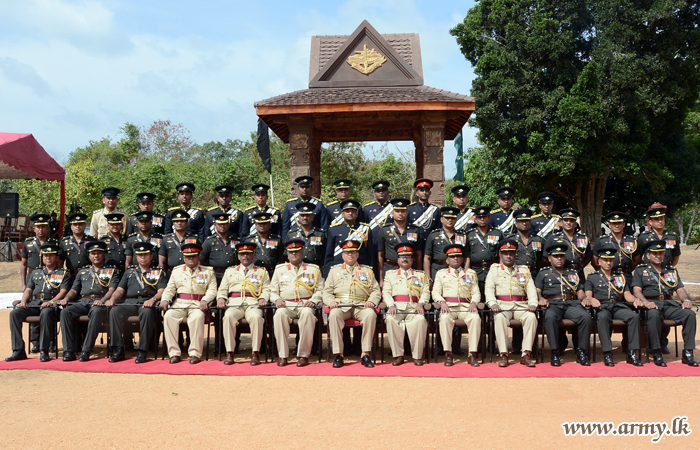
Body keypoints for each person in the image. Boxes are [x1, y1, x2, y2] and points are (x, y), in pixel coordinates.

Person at [631, 240, 698, 367]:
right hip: (651, 304)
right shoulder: (641, 270)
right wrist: (646, 302)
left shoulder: (671, 271)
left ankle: (688, 352)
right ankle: (657, 351)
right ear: (648, 255)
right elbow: (637, 291)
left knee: (689, 315)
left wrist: (686, 301)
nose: (658, 256)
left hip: (668, 304)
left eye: (660, 253)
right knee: (654, 314)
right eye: (655, 253)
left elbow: (680, 289)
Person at [6, 243, 70, 362]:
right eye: (46, 255)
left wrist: (51, 302)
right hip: (35, 303)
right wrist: (23, 301)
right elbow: (28, 290)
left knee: (45, 312)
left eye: (51, 255)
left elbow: (63, 291)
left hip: (52, 306)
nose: (48, 258)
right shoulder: (36, 272)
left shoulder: (63, 273)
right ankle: (18, 350)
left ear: (57, 258)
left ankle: (44, 350)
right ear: (42, 257)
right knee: (15, 313)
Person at [323, 239, 380, 368]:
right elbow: (326, 291)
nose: (350, 255)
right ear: (342, 255)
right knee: (334, 315)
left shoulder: (367, 270)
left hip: (361, 306)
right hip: (341, 305)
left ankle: (365, 353)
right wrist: (331, 301)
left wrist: (371, 301)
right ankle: (339, 354)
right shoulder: (334, 271)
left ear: (357, 255)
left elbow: (376, 290)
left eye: (353, 252)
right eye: (347, 253)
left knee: (370, 315)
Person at [583, 244, 644, 367]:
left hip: (617, 306)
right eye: (605, 260)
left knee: (634, 317)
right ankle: (607, 352)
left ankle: (632, 352)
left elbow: (627, 295)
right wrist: (592, 299)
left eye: (610, 260)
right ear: (599, 262)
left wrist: (636, 300)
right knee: (603, 317)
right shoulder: (592, 277)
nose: (608, 263)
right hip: (602, 306)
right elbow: (588, 295)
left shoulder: (620, 277)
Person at [105, 242, 166, 364]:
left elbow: (161, 291)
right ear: (136, 257)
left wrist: (153, 300)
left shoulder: (158, 272)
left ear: (151, 256)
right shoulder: (129, 272)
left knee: (147, 313)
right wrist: (113, 299)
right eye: (140, 255)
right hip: (130, 302)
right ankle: (118, 349)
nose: (143, 257)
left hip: (147, 302)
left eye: (145, 255)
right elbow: (120, 290)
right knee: (115, 311)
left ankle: (142, 351)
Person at [59, 240, 120, 362]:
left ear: (104, 254)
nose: (96, 256)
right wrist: (66, 298)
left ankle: (86, 350)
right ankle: (69, 350)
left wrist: (102, 300)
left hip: (100, 302)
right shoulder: (83, 271)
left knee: (96, 311)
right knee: (65, 312)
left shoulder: (112, 271)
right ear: (89, 255)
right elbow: (74, 290)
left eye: (99, 253)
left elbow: (112, 290)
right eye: (93, 253)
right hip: (83, 302)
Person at [159, 243, 217, 364]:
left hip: (197, 303)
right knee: (169, 316)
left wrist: (205, 300)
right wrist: (165, 300)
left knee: (198, 317)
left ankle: (195, 353)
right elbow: (170, 289)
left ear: (198, 257)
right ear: (184, 258)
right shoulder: (177, 271)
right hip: (180, 302)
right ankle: (174, 353)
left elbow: (212, 290)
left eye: (193, 256)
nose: (191, 258)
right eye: (188, 256)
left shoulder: (208, 271)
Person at [536, 243, 592, 366]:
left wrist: (584, 299)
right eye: (556, 256)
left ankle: (582, 352)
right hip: (552, 304)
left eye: (561, 256)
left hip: (571, 304)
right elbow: (538, 292)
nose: (559, 259)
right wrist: (541, 299)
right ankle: (555, 352)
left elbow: (580, 291)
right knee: (550, 317)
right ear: (549, 258)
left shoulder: (572, 273)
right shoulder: (543, 273)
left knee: (586, 317)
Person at [485, 239, 538, 367]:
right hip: (502, 306)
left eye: (511, 253)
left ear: (515, 255)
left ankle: (526, 354)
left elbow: (531, 288)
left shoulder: (523, 270)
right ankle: (503, 354)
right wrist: (492, 303)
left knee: (531, 317)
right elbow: (489, 288)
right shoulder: (494, 269)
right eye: (505, 253)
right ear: (500, 255)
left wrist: (533, 303)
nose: (508, 256)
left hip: (520, 306)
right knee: (499, 318)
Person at [270, 239, 323, 367]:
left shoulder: (313, 269)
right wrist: (277, 299)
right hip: (286, 304)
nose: (294, 254)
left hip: (305, 303)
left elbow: (321, 290)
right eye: (291, 252)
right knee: (279, 315)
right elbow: (272, 291)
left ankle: (303, 355)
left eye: (297, 251)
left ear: (302, 253)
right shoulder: (279, 269)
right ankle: (283, 354)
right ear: (287, 255)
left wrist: (313, 300)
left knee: (308, 314)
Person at [216, 242, 271, 366]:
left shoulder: (261, 271)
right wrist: (221, 298)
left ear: (253, 255)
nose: (245, 256)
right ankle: (230, 352)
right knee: (228, 317)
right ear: (238, 256)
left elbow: (267, 289)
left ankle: (255, 352)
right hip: (235, 303)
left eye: (248, 254)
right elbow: (222, 289)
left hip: (253, 303)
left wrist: (263, 298)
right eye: (242, 254)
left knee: (256, 318)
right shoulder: (230, 271)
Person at [432, 244, 482, 367]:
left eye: (458, 256)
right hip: (448, 307)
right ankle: (448, 353)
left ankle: (472, 354)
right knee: (444, 319)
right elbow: (435, 292)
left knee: (475, 318)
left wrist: (473, 303)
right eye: (452, 256)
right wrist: (441, 302)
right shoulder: (441, 273)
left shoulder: (470, 273)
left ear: (462, 259)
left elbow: (476, 292)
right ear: (447, 260)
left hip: (466, 307)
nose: (456, 258)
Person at [383, 242, 429, 366]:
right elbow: (386, 292)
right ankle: (398, 355)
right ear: (398, 260)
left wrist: (421, 303)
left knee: (420, 320)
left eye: (408, 256)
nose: (405, 259)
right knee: (390, 319)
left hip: (414, 308)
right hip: (396, 307)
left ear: (412, 259)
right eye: (402, 256)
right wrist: (391, 305)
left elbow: (426, 292)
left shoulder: (420, 275)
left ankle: (417, 356)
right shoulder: (390, 275)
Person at [20, 213, 59, 353]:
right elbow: (23, 264)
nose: (41, 229)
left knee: (49, 309)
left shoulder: (54, 242)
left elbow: (59, 263)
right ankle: (35, 342)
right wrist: (24, 284)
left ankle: (51, 341)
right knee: (34, 307)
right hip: (33, 278)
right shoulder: (28, 243)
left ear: (47, 228)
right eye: (38, 227)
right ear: (34, 229)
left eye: (43, 227)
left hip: (50, 277)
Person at [377, 198, 422, 286]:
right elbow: (380, 255)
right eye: (397, 211)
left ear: (407, 213)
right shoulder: (384, 230)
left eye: (403, 211)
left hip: (410, 269)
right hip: (390, 269)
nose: (400, 214)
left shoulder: (414, 230)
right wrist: (381, 278)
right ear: (392, 213)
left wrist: (419, 272)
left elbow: (418, 254)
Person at [323, 199, 371, 277]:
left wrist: (371, 271)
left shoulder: (365, 229)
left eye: (353, 211)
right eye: (347, 211)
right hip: (338, 268)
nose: (350, 213)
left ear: (357, 214)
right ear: (342, 214)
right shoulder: (333, 230)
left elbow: (370, 254)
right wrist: (327, 275)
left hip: (360, 269)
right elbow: (329, 255)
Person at [465, 206, 503, 295]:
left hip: (492, 269)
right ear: (475, 219)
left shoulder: (497, 233)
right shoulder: (470, 234)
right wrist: (467, 271)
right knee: (475, 294)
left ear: (489, 218)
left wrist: (501, 269)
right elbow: (467, 255)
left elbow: (501, 252)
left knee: (493, 294)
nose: (482, 219)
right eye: (479, 217)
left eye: (484, 217)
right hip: (475, 270)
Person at [544, 208, 591, 280]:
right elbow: (545, 258)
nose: (568, 223)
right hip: (561, 273)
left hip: (578, 273)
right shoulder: (553, 238)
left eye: (571, 221)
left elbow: (588, 256)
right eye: (566, 220)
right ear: (561, 223)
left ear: (575, 224)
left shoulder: (583, 238)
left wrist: (579, 266)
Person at [423, 206, 468, 281]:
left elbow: (466, 257)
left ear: (456, 220)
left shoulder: (461, 235)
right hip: (438, 270)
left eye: (452, 218)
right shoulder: (433, 235)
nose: (450, 220)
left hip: (457, 271)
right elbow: (427, 258)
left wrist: (465, 274)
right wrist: (428, 278)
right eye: (447, 218)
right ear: (441, 219)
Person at [592, 211, 637, 277]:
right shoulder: (602, 241)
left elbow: (636, 260)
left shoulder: (631, 240)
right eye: (614, 223)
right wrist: (605, 274)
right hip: (609, 276)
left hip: (626, 276)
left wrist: (627, 271)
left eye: (619, 223)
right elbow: (595, 262)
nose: (617, 226)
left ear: (624, 224)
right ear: (609, 225)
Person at [284, 201, 326, 266]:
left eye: (308, 215)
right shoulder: (291, 234)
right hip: (297, 267)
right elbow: (286, 254)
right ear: (298, 218)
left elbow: (325, 253)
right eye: (302, 215)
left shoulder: (320, 234)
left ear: (312, 217)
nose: (305, 218)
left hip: (315, 267)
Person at [508, 208, 545, 275]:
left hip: (534, 274)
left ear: (530, 223)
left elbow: (544, 258)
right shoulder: (510, 240)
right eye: (521, 221)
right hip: (516, 273)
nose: (524, 223)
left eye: (526, 221)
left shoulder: (538, 240)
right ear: (516, 224)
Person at [59, 213, 96, 277]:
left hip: (88, 275)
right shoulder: (64, 242)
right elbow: (60, 262)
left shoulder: (92, 241)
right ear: (71, 227)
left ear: (85, 226)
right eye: (75, 224)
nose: (78, 226)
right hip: (71, 276)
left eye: (80, 224)